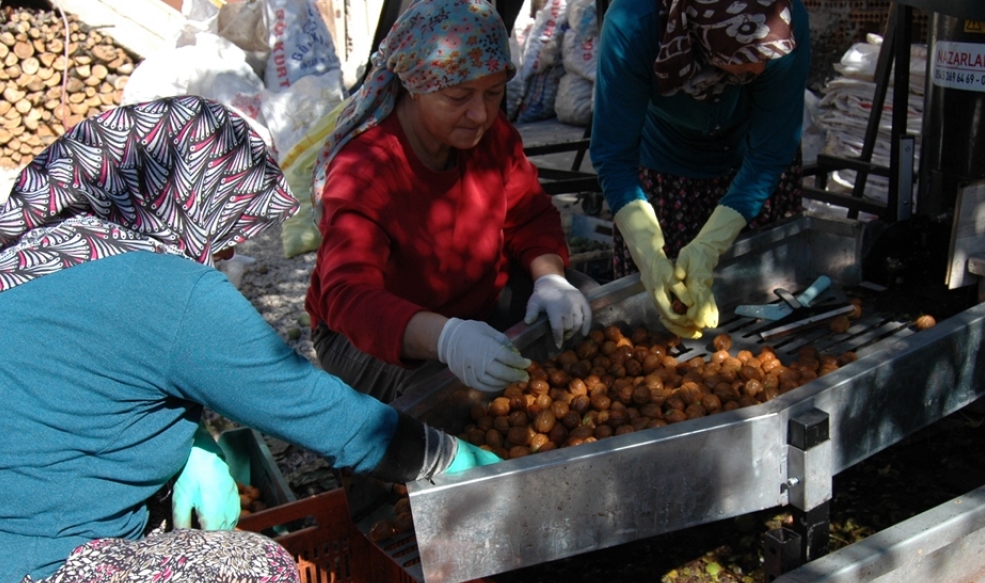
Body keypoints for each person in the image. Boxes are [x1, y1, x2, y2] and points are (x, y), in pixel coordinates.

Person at [0, 96, 498, 583]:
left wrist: (186, 442)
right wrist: (445, 455)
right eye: (229, 237)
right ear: (192, 201)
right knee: (252, 577)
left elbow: (36, 393)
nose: (230, 258)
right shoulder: (165, 286)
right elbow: (320, 410)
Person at [304, 0, 594, 404]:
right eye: (459, 96)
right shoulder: (366, 171)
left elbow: (528, 214)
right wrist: (447, 339)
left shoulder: (491, 138)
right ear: (416, 87)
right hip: (373, 335)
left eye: (493, 93)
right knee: (448, 400)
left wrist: (550, 278)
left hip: (476, 302)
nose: (479, 114)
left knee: (583, 305)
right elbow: (349, 297)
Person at [591, 0, 811, 338]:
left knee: (766, 302)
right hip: (669, 165)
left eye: (767, 57)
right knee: (664, 318)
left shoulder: (779, 19)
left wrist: (710, 243)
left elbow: (769, 154)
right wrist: (648, 251)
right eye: (747, 57)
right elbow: (613, 154)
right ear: (704, 33)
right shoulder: (635, 23)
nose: (759, 71)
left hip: (751, 164)